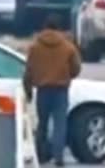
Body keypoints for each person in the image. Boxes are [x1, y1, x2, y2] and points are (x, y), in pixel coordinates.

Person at [23, 13, 82, 167]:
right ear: (59, 28)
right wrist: (67, 76)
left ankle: (40, 155)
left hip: (42, 90)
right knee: (60, 124)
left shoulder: (35, 47)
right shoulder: (68, 47)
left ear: (45, 27)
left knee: (42, 123)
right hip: (60, 90)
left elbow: (28, 70)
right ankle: (58, 157)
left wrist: (28, 89)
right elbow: (76, 68)